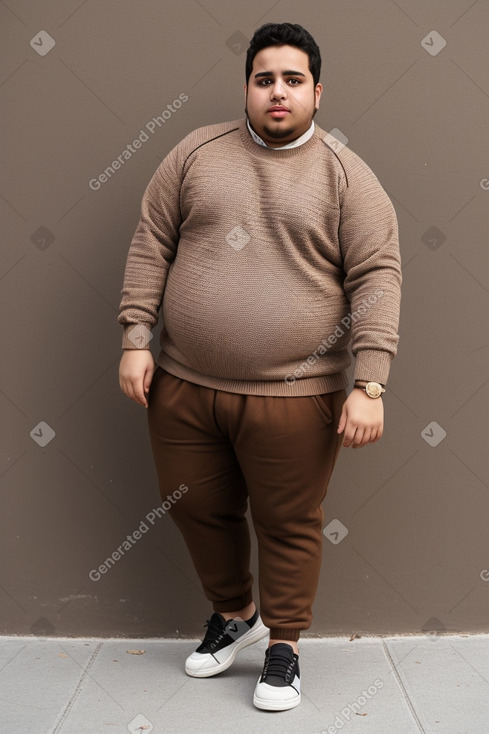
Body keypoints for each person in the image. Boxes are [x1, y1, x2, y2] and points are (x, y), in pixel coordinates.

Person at [118, 22, 401, 712]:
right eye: (264, 78)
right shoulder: (194, 153)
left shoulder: (344, 174)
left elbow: (377, 276)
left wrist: (369, 381)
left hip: (294, 393)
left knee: (288, 519)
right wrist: (134, 336)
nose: (278, 92)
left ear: (316, 91)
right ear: (247, 86)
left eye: (292, 79)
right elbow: (152, 241)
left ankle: (285, 645)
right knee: (198, 509)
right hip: (183, 384)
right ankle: (235, 612)